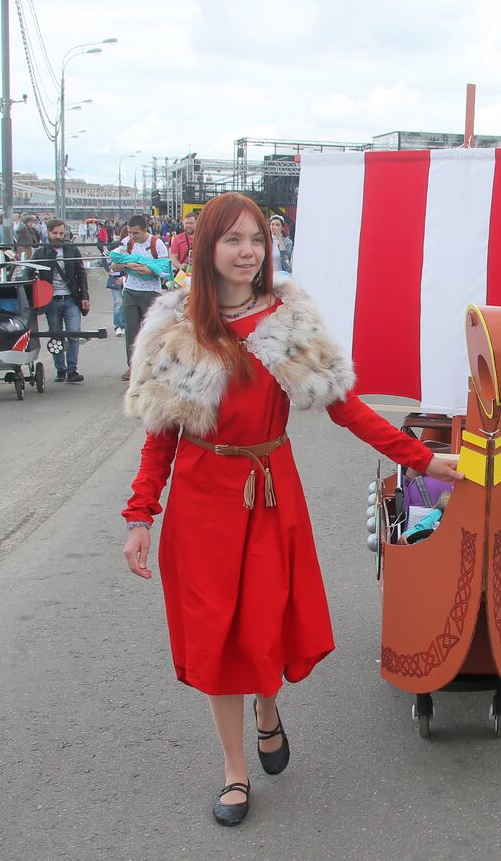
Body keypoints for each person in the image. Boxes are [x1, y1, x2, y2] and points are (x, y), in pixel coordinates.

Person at [121, 192, 462, 826]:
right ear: (208, 248)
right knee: (216, 636)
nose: (247, 251)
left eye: (256, 239)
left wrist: (419, 458)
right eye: (233, 240)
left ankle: (268, 708)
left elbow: (345, 406)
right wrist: (141, 515)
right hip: (200, 503)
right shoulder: (177, 325)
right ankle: (233, 770)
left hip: (269, 492)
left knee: (263, 625)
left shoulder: (287, 319)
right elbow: (160, 433)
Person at [32, 218, 90, 383]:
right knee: (56, 336)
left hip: (71, 299)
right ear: (48, 233)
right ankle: (60, 370)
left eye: (61, 233)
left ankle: (72, 370)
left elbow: (81, 274)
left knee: (73, 334)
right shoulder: (40, 252)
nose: (58, 236)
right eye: (55, 233)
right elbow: (31, 274)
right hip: (51, 301)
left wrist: (84, 296)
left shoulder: (72, 250)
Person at [112, 215, 166, 380]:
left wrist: (150, 271)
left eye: (136, 233)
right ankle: (133, 367)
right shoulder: (127, 243)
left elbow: (165, 270)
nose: (132, 236)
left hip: (151, 292)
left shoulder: (157, 244)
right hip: (130, 290)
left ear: (144, 230)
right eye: (130, 232)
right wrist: (127, 265)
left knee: (152, 331)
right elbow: (114, 265)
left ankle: (153, 366)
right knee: (131, 330)